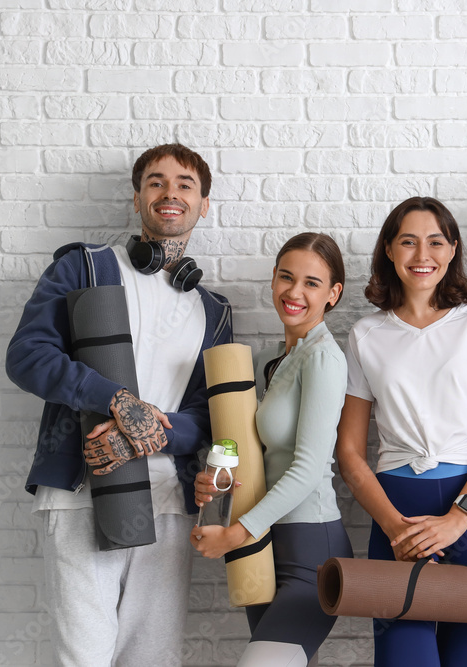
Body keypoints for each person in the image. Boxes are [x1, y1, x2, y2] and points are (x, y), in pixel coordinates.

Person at [6, 144, 232, 666]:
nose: (169, 192)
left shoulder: (213, 310)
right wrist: (117, 401)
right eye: (155, 182)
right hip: (84, 489)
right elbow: (27, 356)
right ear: (136, 199)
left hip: (168, 503)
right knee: (83, 657)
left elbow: (208, 418)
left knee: (152, 659)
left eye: (184, 184)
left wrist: (141, 430)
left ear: (202, 205)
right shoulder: (83, 267)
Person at [335, 196, 467, 667]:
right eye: (409, 242)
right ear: (390, 251)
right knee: (404, 658)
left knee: (466, 661)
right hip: (398, 513)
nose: (423, 255)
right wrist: (396, 527)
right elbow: (351, 453)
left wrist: (460, 518)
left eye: (436, 242)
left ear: (453, 249)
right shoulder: (365, 334)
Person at [190, 232, 353, 667]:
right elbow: (240, 449)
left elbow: (307, 468)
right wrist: (213, 482)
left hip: (311, 552)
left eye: (312, 283)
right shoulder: (267, 360)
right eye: (286, 277)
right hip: (263, 549)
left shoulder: (323, 358)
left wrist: (236, 533)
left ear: (333, 293)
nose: (294, 292)